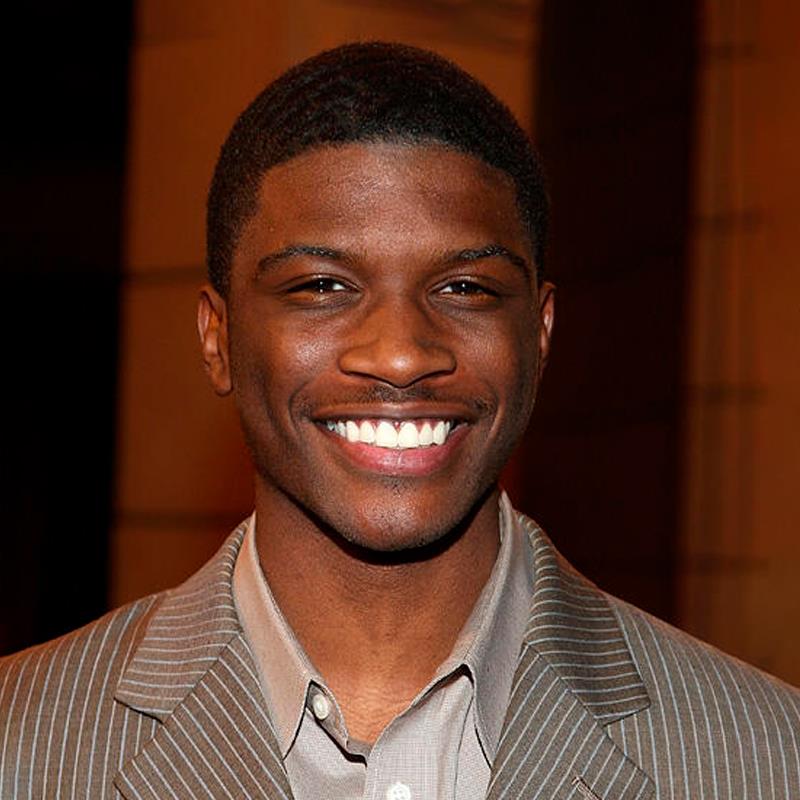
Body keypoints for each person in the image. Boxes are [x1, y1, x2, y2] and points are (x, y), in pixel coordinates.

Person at [1, 41, 798, 800]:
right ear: (218, 339)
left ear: (540, 334)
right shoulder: (20, 739)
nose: (400, 354)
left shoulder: (767, 755)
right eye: (322, 287)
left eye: (465, 289)